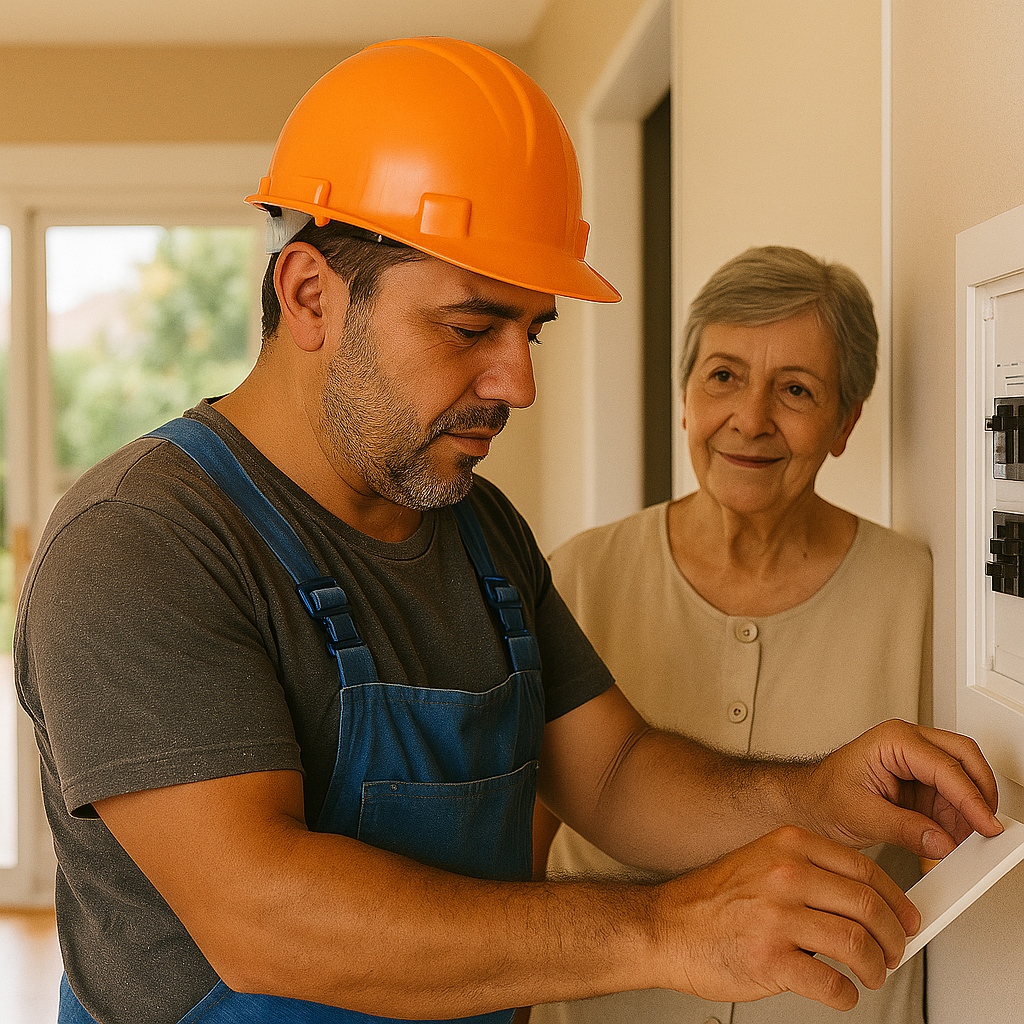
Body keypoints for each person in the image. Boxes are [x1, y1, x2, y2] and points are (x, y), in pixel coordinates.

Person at [13, 38, 1001, 1024]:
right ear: (310, 294)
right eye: (470, 326)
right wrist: (664, 928)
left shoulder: (476, 527)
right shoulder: (142, 543)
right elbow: (263, 918)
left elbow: (611, 774)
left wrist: (815, 794)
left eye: (532, 331)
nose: (517, 383)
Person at [531, 246, 932, 1024]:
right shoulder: (576, 577)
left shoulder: (917, 594)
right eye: (723, 376)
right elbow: (528, 835)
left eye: (796, 389)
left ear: (845, 422)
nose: (750, 419)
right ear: (685, 397)